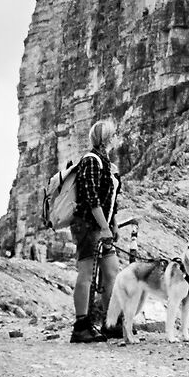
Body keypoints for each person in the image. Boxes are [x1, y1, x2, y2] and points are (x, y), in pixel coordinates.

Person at [67, 118, 123, 343]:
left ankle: (110, 322)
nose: (117, 137)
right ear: (108, 137)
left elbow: (111, 200)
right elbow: (91, 198)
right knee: (86, 273)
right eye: (115, 134)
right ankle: (81, 326)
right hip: (88, 227)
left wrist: (113, 224)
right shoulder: (91, 161)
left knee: (112, 272)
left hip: (103, 226)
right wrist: (103, 226)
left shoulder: (108, 164)